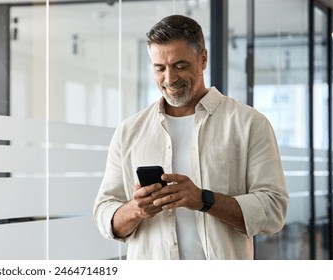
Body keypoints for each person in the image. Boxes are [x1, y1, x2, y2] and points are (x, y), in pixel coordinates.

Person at [92, 14, 288, 260]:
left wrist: (203, 200)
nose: (170, 79)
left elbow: (273, 211)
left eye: (180, 66)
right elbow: (104, 213)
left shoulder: (249, 124)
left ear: (203, 58)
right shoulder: (129, 131)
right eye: (159, 68)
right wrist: (135, 210)